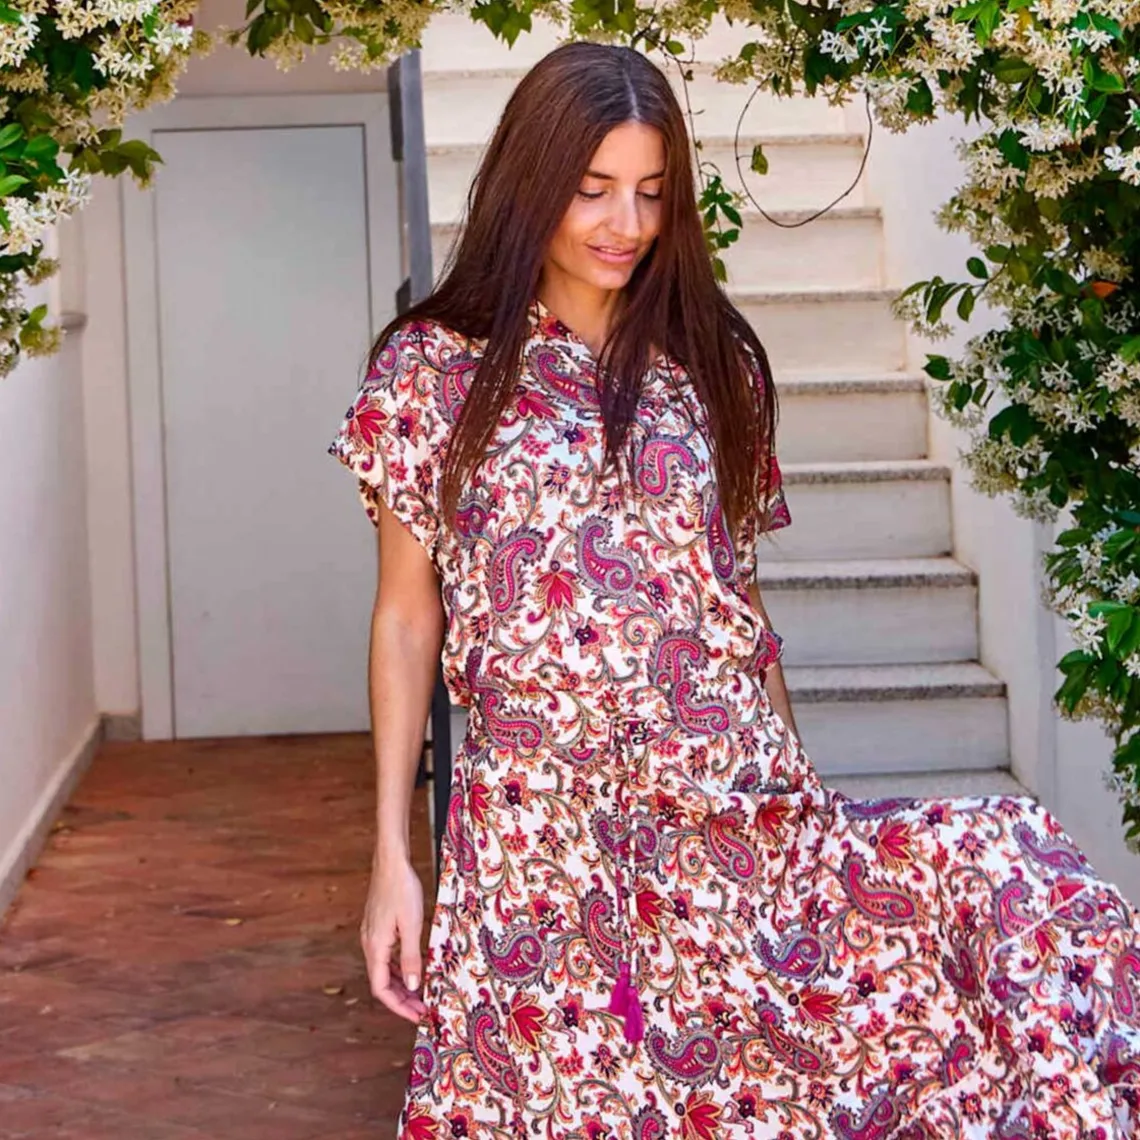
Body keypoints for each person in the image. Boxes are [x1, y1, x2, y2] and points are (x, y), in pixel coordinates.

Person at [328, 40, 1140, 1140]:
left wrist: (803, 802)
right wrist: (393, 852)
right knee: (556, 1104)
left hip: (728, 806)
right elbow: (405, 616)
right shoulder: (432, 370)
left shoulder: (715, 362)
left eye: (652, 192)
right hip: (534, 834)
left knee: (1006, 887)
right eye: (592, 189)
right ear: (532, 182)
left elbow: (741, 610)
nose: (624, 223)